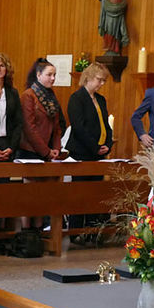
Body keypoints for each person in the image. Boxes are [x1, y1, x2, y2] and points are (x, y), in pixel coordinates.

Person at [66, 63, 114, 239]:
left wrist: (108, 144)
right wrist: (95, 147)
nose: (101, 83)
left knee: (95, 194)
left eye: (103, 81)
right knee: (80, 194)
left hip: (98, 154)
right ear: (88, 77)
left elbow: (106, 125)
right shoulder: (76, 98)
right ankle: (75, 232)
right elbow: (78, 127)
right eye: (99, 80)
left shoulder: (100, 100)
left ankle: (93, 232)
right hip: (82, 152)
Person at [19, 58, 65, 229]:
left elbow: (57, 127)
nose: (52, 78)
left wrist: (56, 149)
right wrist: (46, 151)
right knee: (30, 194)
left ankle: (38, 230)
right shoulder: (28, 96)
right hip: (30, 151)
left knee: (42, 194)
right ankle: (26, 230)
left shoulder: (51, 96)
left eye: (54, 75)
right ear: (38, 75)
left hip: (47, 152)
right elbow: (29, 128)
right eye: (49, 75)